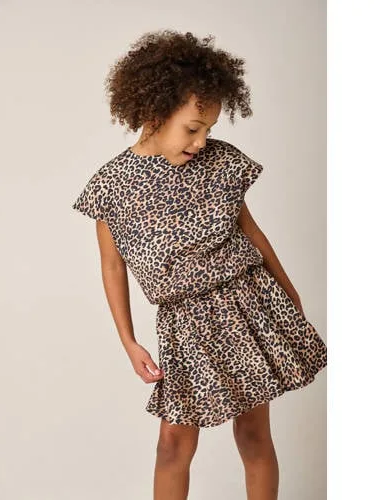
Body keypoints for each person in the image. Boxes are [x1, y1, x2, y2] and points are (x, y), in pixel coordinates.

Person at [72, 30, 327, 500]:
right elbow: (112, 266)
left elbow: (252, 233)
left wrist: (289, 291)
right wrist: (128, 340)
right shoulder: (110, 186)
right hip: (183, 322)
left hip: (247, 304)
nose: (202, 140)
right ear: (154, 113)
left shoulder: (221, 163)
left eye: (209, 128)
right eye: (193, 128)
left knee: (253, 433)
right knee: (172, 444)